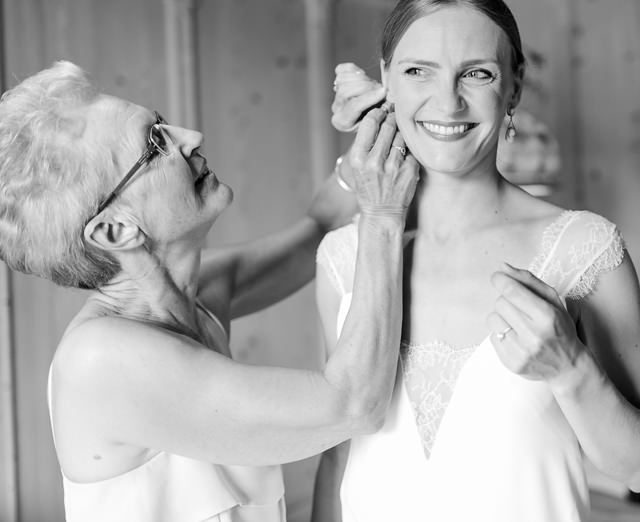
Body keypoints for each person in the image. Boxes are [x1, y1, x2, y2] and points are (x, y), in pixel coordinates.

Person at [313, 0, 640, 522]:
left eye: (476, 73)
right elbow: (337, 452)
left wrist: (571, 369)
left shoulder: (583, 249)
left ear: (514, 86)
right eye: (417, 71)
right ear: (386, 80)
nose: (447, 101)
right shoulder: (341, 259)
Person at [0, 60, 418, 521]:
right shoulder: (100, 358)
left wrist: (370, 137)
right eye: (155, 144)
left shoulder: (194, 295)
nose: (191, 136)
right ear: (115, 230)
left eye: (162, 123)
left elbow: (318, 228)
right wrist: (383, 215)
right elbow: (355, 405)